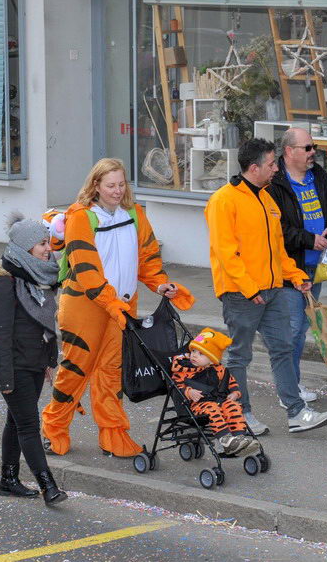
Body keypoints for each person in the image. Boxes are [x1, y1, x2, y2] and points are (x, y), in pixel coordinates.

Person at [41, 158, 195, 458]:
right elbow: (86, 270)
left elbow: (148, 256)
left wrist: (160, 284)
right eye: (110, 185)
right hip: (85, 304)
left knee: (112, 372)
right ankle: (54, 428)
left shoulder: (134, 213)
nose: (117, 190)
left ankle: (113, 434)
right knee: (76, 370)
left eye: (121, 184)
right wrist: (111, 302)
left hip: (122, 306)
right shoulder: (81, 217)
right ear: (96, 185)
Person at [205, 138, 327, 435]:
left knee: (283, 348)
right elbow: (226, 253)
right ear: (254, 168)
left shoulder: (266, 198)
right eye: (271, 164)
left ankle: (296, 412)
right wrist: (249, 289)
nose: (276, 168)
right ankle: (240, 414)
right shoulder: (224, 200)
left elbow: (277, 249)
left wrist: (295, 275)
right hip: (241, 294)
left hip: (273, 289)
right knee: (240, 356)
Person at [0, 212, 67, 505]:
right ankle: (48, 487)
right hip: (12, 366)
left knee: (16, 421)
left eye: (48, 242)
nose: (48, 248)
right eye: (42, 244)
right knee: (28, 425)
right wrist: (5, 379)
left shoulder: (40, 276)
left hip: (34, 361)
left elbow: (47, 323)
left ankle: (8, 480)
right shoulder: (3, 283)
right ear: (26, 246)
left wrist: (49, 360)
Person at [267, 127, 327, 405]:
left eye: (314, 147)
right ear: (289, 151)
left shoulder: (318, 175)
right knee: (292, 328)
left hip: (317, 267)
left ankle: (292, 384)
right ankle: (289, 390)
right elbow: (276, 229)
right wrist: (308, 239)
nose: (313, 153)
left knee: (301, 327)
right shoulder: (274, 182)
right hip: (291, 267)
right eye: (308, 148)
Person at [171, 327, 261, 457]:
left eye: (200, 353)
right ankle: (225, 440)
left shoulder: (219, 369)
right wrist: (188, 391)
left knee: (233, 406)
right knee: (212, 408)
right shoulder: (184, 369)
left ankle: (239, 438)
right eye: (193, 351)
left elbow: (231, 381)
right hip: (198, 405)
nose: (194, 355)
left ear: (211, 360)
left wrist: (234, 393)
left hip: (219, 400)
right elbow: (176, 385)